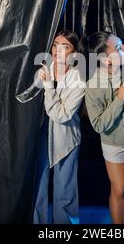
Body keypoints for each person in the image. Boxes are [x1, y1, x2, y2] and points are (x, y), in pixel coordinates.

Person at [79, 32, 124, 224]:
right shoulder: (94, 86)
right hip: (114, 142)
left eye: (122, 44)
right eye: (118, 48)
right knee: (120, 188)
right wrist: (120, 98)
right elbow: (98, 125)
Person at [33, 30, 85, 224]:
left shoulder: (79, 79)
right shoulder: (42, 69)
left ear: (74, 53)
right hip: (40, 135)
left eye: (66, 47)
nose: (58, 50)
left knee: (65, 189)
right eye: (56, 44)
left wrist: (48, 85)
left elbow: (61, 115)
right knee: (38, 185)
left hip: (66, 138)